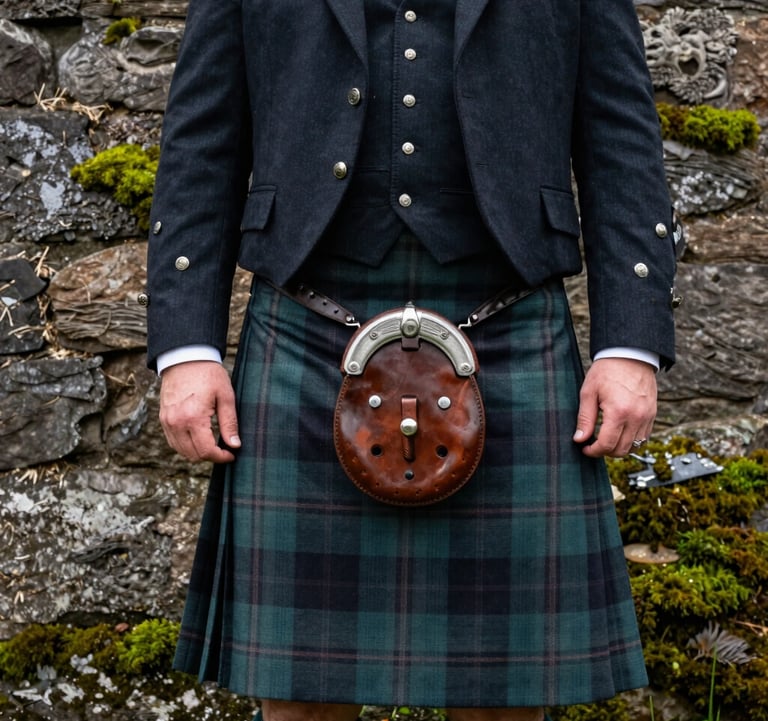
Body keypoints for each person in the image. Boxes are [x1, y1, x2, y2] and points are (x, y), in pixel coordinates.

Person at [144, 1, 678, 720]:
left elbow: (621, 132)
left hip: (505, 312)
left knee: (506, 698)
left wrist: (629, 342)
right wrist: (186, 346)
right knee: (301, 699)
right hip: (309, 318)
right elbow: (200, 138)